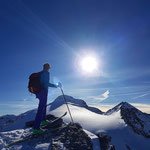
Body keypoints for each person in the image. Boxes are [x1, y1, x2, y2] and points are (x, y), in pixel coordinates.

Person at [32, 63, 62, 134]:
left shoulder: (41, 73)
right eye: (49, 67)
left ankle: (43, 120)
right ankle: (36, 128)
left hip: (39, 92)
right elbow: (46, 84)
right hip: (43, 92)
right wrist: (56, 86)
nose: (49, 69)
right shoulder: (46, 73)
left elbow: (44, 83)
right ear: (48, 67)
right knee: (41, 108)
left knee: (43, 106)